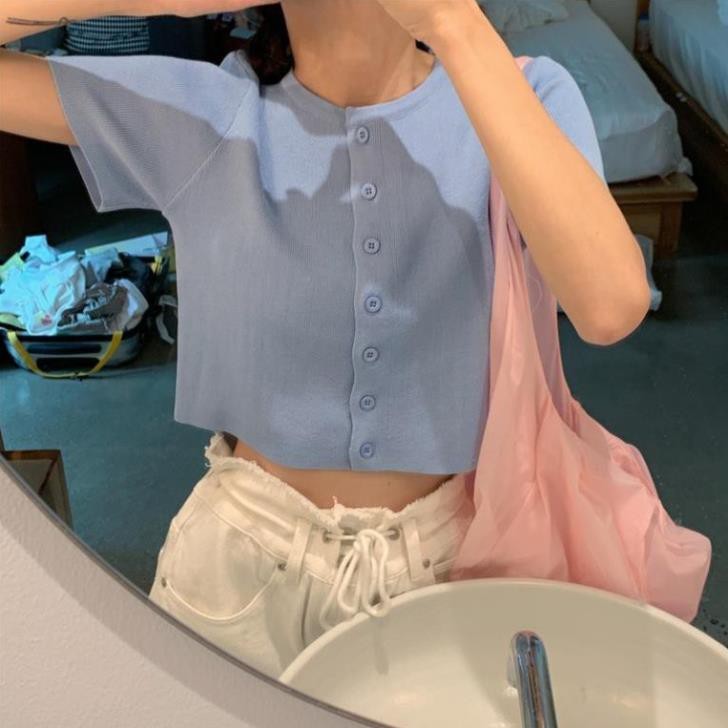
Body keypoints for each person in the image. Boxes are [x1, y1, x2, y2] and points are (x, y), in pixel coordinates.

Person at [0, 0, 651, 679]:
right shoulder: (203, 111)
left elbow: (610, 306)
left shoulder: (522, 94)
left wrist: (453, 22)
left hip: (455, 572)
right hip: (236, 577)